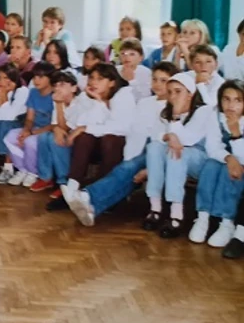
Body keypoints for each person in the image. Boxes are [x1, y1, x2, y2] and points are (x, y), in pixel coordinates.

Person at [63, 62, 178, 228]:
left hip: (161, 150)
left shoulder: (174, 107)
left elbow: (166, 140)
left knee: (131, 166)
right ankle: (93, 209)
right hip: (141, 149)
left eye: (164, 80)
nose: (158, 84)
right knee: (128, 170)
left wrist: (149, 167)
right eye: (155, 79)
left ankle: (88, 196)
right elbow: (134, 133)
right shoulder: (145, 103)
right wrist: (128, 159)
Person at [145, 72, 213, 239]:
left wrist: (175, 119)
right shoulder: (165, 111)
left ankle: (176, 215)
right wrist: (169, 136)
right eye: (170, 92)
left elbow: (188, 140)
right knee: (154, 148)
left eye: (178, 91)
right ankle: (155, 208)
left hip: (201, 159)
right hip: (177, 153)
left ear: (190, 93)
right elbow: (155, 135)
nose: (173, 96)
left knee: (177, 153)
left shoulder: (203, 111)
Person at [50, 63, 134, 198]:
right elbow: (82, 122)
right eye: (92, 78)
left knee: (110, 139)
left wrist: (84, 127)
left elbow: (120, 128)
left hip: (118, 146)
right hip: (96, 146)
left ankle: (100, 191)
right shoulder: (86, 96)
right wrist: (98, 102)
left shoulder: (124, 94)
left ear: (112, 82)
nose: (94, 82)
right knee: (84, 137)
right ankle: (73, 185)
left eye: (100, 79)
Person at [188, 80, 244, 248]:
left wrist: (235, 134)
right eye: (226, 99)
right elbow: (213, 147)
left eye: (238, 100)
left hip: (241, 166)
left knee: (230, 171)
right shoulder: (215, 115)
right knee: (212, 165)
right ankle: (203, 216)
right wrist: (229, 158)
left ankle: (226, 221)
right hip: (225, 160)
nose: (231, 105)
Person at [34, 70, 88, 201]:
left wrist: (58, 106)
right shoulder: (58, 100)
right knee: (43, 137)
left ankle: (65, 182)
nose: (58, 88)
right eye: (56, 85)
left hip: (80, 137)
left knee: (54, 140)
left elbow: (65, 127)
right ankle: (46, 177)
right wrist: (57, 128)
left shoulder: (80, 102)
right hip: (65, 132)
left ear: (74, 88)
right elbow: (55, 125)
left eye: (62, 85)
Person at [3, 61, 55, 185]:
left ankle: (33, 172)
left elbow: (54, 124)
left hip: (47, 131)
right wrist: (26, 130)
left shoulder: (55, 95)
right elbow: (30, 118)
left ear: (51, 79)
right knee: (10, 137)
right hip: (33, 129)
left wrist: (31, 133)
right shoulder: (33, 93)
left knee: (30, 141)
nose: (36, 80)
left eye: (41, 77)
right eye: (35, 76)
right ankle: (22, 169)